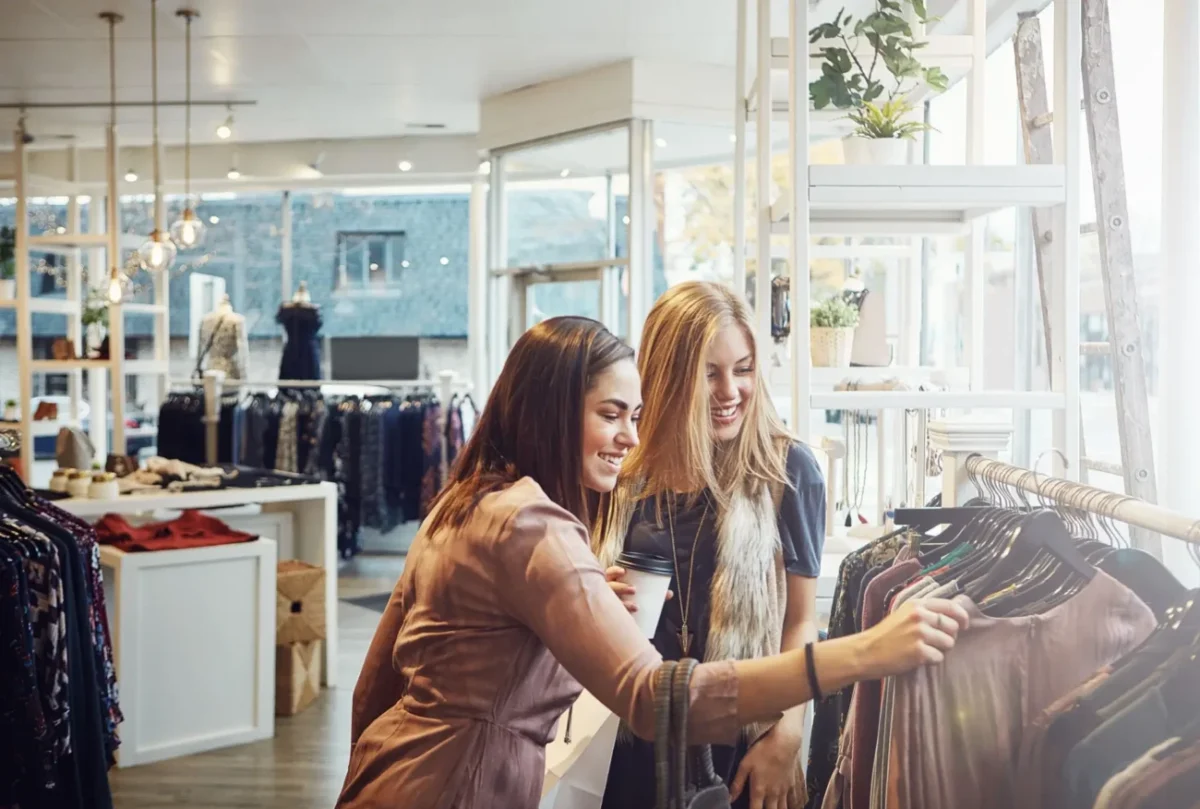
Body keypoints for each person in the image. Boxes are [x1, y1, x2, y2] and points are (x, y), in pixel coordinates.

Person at [337, 315, 968, 809]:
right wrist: (865, 652)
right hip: (464, 786)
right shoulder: (535, 523)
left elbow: (378, 681)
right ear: (551, 414)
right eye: (610, 415)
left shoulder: (468, 501)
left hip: (396, 772)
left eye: (633, 415)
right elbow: (654, 697)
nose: (630, 437)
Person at [595, 281, 824, 809]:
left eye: (743, 369)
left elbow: (800, 621)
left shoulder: (786, 471)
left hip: (741, 746)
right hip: (625, 743)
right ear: (668, 376)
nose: (731, 392)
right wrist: (594, 592)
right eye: (709, 373)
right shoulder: (622, 474)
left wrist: (787, 735)